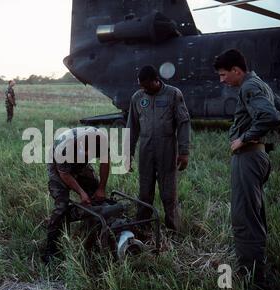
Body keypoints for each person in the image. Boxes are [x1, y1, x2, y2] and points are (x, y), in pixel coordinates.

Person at [213, 49, 280, 290]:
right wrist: (256, 136)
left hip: (248, 157)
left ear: (237, 70)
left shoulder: (249, 87)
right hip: (259, 155)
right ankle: (256, 268)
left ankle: (254, 280)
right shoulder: (260, 84)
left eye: (224, 74)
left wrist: (245, 138)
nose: (222, 80)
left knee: (244, 218)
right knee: (254, 215)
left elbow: (270, 115)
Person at [126, 65, 191, 233]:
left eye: (146, 85)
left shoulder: (173, 94)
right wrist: (128, 154)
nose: (143, 89)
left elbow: (183, 123)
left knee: (168, 194)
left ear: (156, 80)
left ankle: (173, 229)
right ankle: (143, 227)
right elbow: (132, 127)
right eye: (141, 86)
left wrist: (184, 152)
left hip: (167, 150)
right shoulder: (137, 98)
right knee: (145, 193)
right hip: (146, 150)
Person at [43, 127, 110, 264]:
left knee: (96, 195)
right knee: (61, 205)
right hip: (58, 166)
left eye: (90, 153)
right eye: (84, 152)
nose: (87, 155)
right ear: (78, 144)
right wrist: (81, 193)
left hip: (80, 165)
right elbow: (65, 174)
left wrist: (101, 188)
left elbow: (105, 162)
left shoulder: (102, 139)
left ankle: (94, 231)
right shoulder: (64, 146)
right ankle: (50, 248)